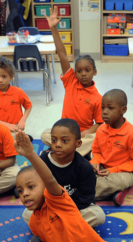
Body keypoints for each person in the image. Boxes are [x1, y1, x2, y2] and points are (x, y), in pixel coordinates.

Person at [15, 130, 113, 242]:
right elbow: (54, 240)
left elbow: (51, 180)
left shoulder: (56, 200)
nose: (25, 194)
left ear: (44, 186)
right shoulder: (34, 222)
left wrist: (30, 154)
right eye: (21, 191)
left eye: (31, 187)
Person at [22, 118, 105, 242]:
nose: (58, 145)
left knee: (98, 215)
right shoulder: (43, 161)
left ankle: (46, 235)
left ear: (78, 144)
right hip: (49, 209)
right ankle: (68, 233)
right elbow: (36, 190)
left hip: (72, 210)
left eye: (64, 141)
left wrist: (63, 212)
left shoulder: (85, 167)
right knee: (26, 214)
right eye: (54, 140)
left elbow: (85, 198)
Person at [40, 6, 103, 157]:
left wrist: (87, 131)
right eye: (79, 71)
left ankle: (59, 151)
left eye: (87, 70)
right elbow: (62, 54)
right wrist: (54, 29)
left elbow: (100, 123)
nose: (83, 74)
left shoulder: (98, 97)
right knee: (44, 134)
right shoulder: (71, 82)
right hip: (64, 131)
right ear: (74, 74)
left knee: (96, 137)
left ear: (94, 72)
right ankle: (71, 151)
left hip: (83, 135)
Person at [91, 89, 133, 206]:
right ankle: (112, 193)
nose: (104, 112)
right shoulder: (101, 130)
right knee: (84, 168)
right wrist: (95, 161)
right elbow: (96, 151)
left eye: (110, 108)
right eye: (103, 107)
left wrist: (112, 170)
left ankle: (83, 193)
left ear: (123, 110)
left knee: (118, 181)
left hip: (125, 172)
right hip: (103, 166)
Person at [0, 56, 32, 135]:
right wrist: (6, 125)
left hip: (15, 128)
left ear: (11, 77)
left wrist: (23, 120)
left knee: (15, 141)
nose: (0, 80)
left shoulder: (18, 92)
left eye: (4, 76)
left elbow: (28, 106)